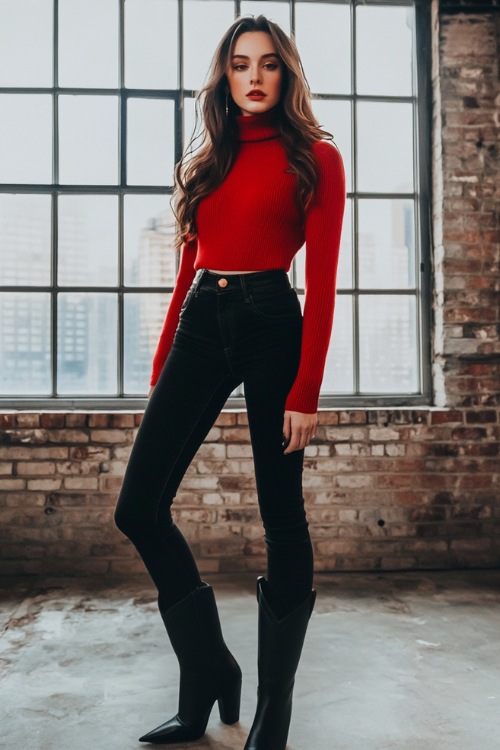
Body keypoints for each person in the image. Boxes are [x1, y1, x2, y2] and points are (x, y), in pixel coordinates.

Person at [114, 14, 345, 750]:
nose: (253, 76)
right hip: (200, 322)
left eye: (268, 64)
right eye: (240, 63)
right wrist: (162, 370)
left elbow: (327, 280)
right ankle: (209, 669)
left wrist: (307, 391)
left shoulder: (315, 157)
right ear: (223, 75)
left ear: (286, 74)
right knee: (138, 508)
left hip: (274, 320)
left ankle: (273, 710)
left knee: (282, 515)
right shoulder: (204, 159)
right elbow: (186, 270)